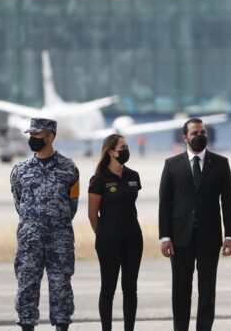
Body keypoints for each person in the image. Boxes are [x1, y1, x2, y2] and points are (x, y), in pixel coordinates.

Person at [159, 118, 231, 331]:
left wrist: (230, 235)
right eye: (194, 133)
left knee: (207, 291)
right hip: (180, 239)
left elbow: (227, 201)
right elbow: (165, 203)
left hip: (209, 238)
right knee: (181, 291)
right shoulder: (171, 164)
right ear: (185, 137)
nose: (199, 136)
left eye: (202, 132)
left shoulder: (221, 163)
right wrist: (164, 237)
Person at [11, 118, 80, 331]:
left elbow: (72, 205)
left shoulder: (69, 168)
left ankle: (61, 326)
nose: (32, 139)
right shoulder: (20, 170)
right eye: (31, 135)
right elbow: (18, 202)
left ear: (50, 137)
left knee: (61, 286)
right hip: (30, 240)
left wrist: (55, 222)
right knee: (27, 286)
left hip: (60, 239)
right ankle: (27, 326)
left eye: (36, 135)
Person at [88, 134, 142, 331]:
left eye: (127, 146)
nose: (126, 150)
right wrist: (102, 235)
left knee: (130, 288)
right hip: (108, 240)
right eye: (122, 147)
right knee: (108, 288)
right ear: (111, 151)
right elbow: (92, 214)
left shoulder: (133, 176)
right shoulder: (99, 179)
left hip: (133, 238)